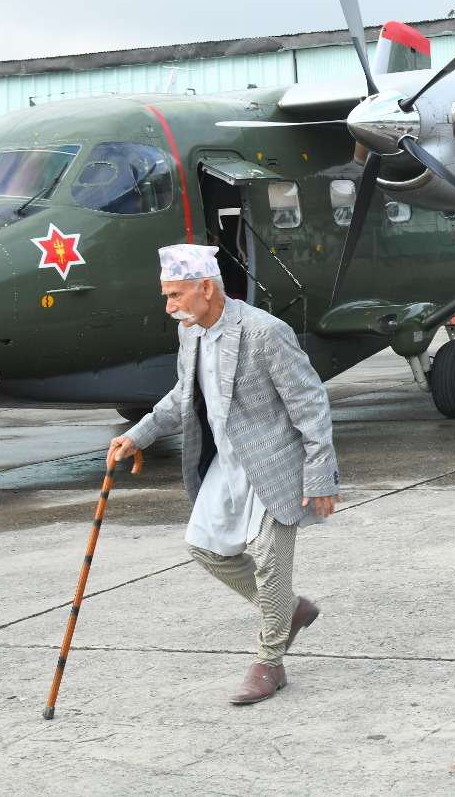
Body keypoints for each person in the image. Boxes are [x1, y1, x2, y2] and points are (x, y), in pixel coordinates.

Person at [107, 244, 340, 706]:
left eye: (175, 295)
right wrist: (139, 435)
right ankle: (288, 611)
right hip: (228, 464)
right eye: (166, 295)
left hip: (276, 464)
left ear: (205, 288)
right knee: (203, 547)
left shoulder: (263, 332)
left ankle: (269, 662)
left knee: (272, 564)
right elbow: (181, 394)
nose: (168, 306)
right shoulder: (190, 332)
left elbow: (310, 403)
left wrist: (321, 477)